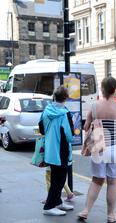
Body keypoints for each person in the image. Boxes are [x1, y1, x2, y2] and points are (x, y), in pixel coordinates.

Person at [78, 77, 116, 223]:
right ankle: (111, 215)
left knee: (96, 181)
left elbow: (86, 127)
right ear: (115, 89)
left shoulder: (94, 106)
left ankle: (86, 210)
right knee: (113, 183)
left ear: (102, 88)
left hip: (99, 146)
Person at [39, 85, 74, 216]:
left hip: (50, 148)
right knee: (59, 178)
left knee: (55, 176)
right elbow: (69, 135)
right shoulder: (64, 113)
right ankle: (49, 206)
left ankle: (57, 201)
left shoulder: (47, 110)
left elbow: (41, 128)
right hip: (61, 149)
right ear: (65, 98)